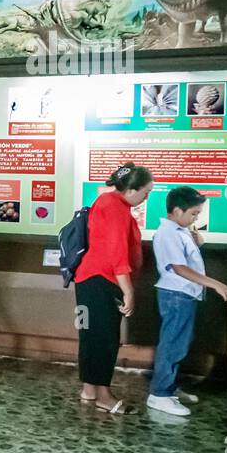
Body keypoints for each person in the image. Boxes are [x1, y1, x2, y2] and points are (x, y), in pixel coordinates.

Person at [147, 186, 227, 417]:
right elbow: (179, 268)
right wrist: (216, 284)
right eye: (193, 214)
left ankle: (169, 388)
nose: (196, 218)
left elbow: (184, 260)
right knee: (172, 345)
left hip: (184, 295)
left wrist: (195, 244)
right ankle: (159, 395)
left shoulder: (179, 230)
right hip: (177, 295)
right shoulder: (168, 233)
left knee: (180, 342)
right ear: (177, 210)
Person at [74, 162, 153, 413]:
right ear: (131, 190)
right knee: (106, 338)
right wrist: (128, 290)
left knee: (90, 334)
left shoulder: (106, 202)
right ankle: (103, 396)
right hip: (102, 282)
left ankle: (89, 388)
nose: (146, 198)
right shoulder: (116, 208)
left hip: (88, 280)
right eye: (145, 192)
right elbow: (117, 253)